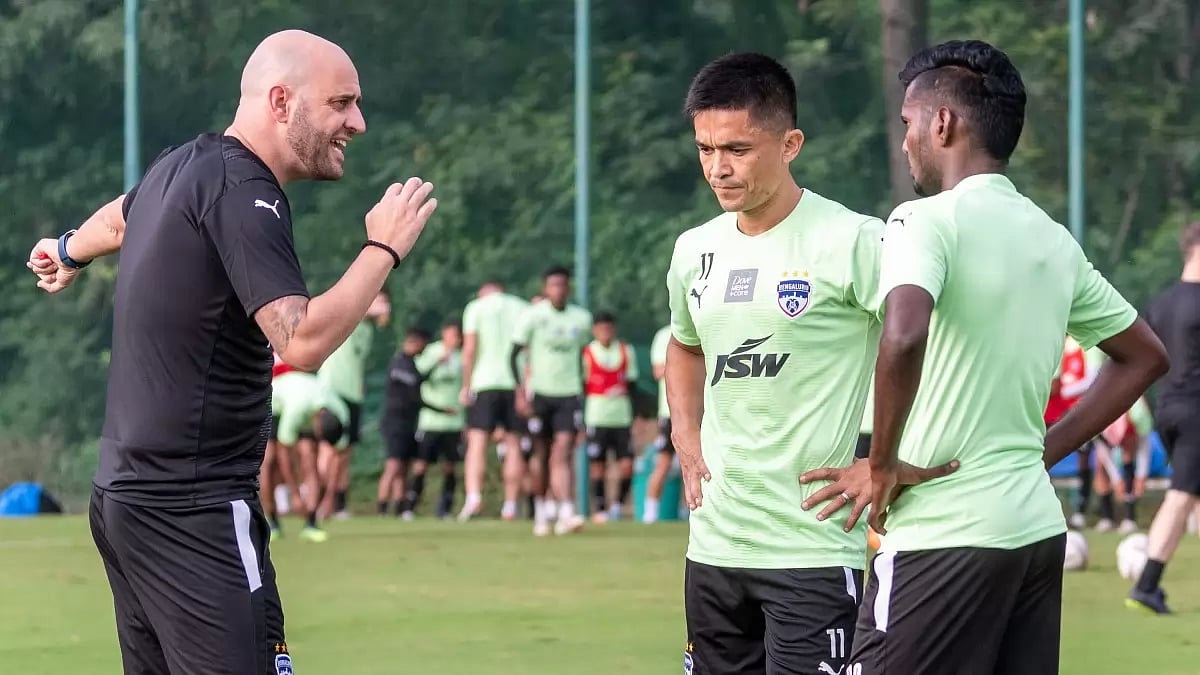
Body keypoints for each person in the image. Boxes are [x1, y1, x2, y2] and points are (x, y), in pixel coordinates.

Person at [25, 30, 437, 675]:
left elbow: (120, 220)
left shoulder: (182, 165)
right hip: (195, 512)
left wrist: (69, 248)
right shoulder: (249, 192)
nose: (357, 122)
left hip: (123, 502)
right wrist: (381, 249)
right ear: (281, 101)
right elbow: (300, 341)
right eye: (341, 103)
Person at [832, 40, 1167, 674]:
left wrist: (878, 464)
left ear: (943, 122)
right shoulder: (1053, 238)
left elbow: (904, 333)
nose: (905, 141)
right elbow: (1144, 356)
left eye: (908, 123)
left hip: (943, 536)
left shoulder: (922, 222)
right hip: (1034, 534)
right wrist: (1043, 449)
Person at [666, 52, 954, 675]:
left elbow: (935, 340)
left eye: (738, 149)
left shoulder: (854, 240)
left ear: (790, 142)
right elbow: (684, 346)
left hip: (813, 552)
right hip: (713, 547)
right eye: (706, 149)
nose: (719, 168)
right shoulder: (695, 251)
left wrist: (880, 462)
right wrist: (685, 435)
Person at [1128, 220, 1200, 614]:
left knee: (1192, 495)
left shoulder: (1161, 303)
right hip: (1195, 414)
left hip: (1167, 410)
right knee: (1180, 495)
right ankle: (1146, 584)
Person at [511, 266, 592, 536]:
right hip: (540, 395)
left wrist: (584, 393)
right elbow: (513, 355)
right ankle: (542, 510)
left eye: (562, 285)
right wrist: (521, 392)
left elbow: (584, 358)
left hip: (568, 394)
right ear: (546, 288)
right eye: (553, 285)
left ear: (568, 288)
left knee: (563, 449)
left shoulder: (581, 319)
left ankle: (567, 510)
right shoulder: (533, 316)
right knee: (541, 454)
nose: (558, 289)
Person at [457, 282, 530, 521]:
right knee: (513, 444)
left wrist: (466, 385)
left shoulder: (475, 308)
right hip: (514, 382)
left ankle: (474, 498)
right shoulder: (522, 308)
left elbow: (469, 350)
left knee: (477, 442)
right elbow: (528, 353)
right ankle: (510, 505)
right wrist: (526, 389)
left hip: (484, 381)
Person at [315, 289, 391, 519]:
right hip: (333, 390)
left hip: (353, 394)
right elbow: (356, 305)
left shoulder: (367, 330)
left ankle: (338, 504)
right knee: (329, 449)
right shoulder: (350, 315)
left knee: (345, 453)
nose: (384, 306)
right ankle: (316, 501)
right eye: (379, 299)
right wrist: (376, 306)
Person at [270, 370, 352, 541]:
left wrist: (330, 498)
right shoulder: (296, 409)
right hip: (274, 405)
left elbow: (338, 457)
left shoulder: (341, 412)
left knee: (309, 458)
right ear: (317, 426)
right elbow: (284, 453)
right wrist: (295, 494)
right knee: (269, 461)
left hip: (308, 401)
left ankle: (311, 522)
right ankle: (273, 522)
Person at [581, 311, 638, 522]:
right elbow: (582, 385)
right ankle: (601, 507)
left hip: (621, 418)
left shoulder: (625, 351)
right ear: (595, 330)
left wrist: (637, 414)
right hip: (597, 417)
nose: (605, 332)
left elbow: (632, 384)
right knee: (598, 465)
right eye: (601, 328)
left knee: (626, 465)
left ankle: (618, 505)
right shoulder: (587, 353)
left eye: (608, 327)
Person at [406, 320, 466, 519]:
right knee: (421, 464)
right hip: (430, 422)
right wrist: (437, 361)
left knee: (450, 467)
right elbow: (418, 375)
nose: (454, 339)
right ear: (444, 334)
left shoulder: (464, 357)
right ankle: (409, 507)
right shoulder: (431, 352)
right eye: (451, 335)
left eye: (458, 336)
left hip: (453, 423)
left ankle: (445, 509)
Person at [376, 327, 434, 516]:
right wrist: (438, 409)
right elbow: (414, 394)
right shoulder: (399, 364)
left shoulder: (411, 364)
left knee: (403, 466)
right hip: (395, 423)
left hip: (409, 423)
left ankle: (399, 507)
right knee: (393, 465)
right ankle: (382, 508)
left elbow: (417, 385)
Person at [643, 323, 674, 523]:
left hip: (704, 411)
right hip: (671, 412)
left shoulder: (706, 323)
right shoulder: (664, 335)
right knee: (663, 463)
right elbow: (658, 371)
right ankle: (650, 512)